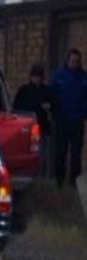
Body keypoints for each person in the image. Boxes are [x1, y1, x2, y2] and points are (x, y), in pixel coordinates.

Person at [50, 47, 87, 187]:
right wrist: (55, 113)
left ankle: (74, 182)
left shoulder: (84, 77)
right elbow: (51, 96)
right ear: (67, 61)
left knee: (76, 153)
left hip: (77, 121)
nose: (74, 64)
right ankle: (59, 180)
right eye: (72, 61)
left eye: (77, 61)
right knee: (61, 152)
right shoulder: (59, 76)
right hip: (62, 120)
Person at [12, 64, 56, 177]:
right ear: (31, 77)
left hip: (42, 127)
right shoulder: (24, 90)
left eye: (39, 77)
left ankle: (41, 177)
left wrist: (49, 106)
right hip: (27, 128)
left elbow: (54, 106)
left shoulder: (46, 90)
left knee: (42, 155)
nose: (37, 80)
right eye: (35, 77)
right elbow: (17, 108)